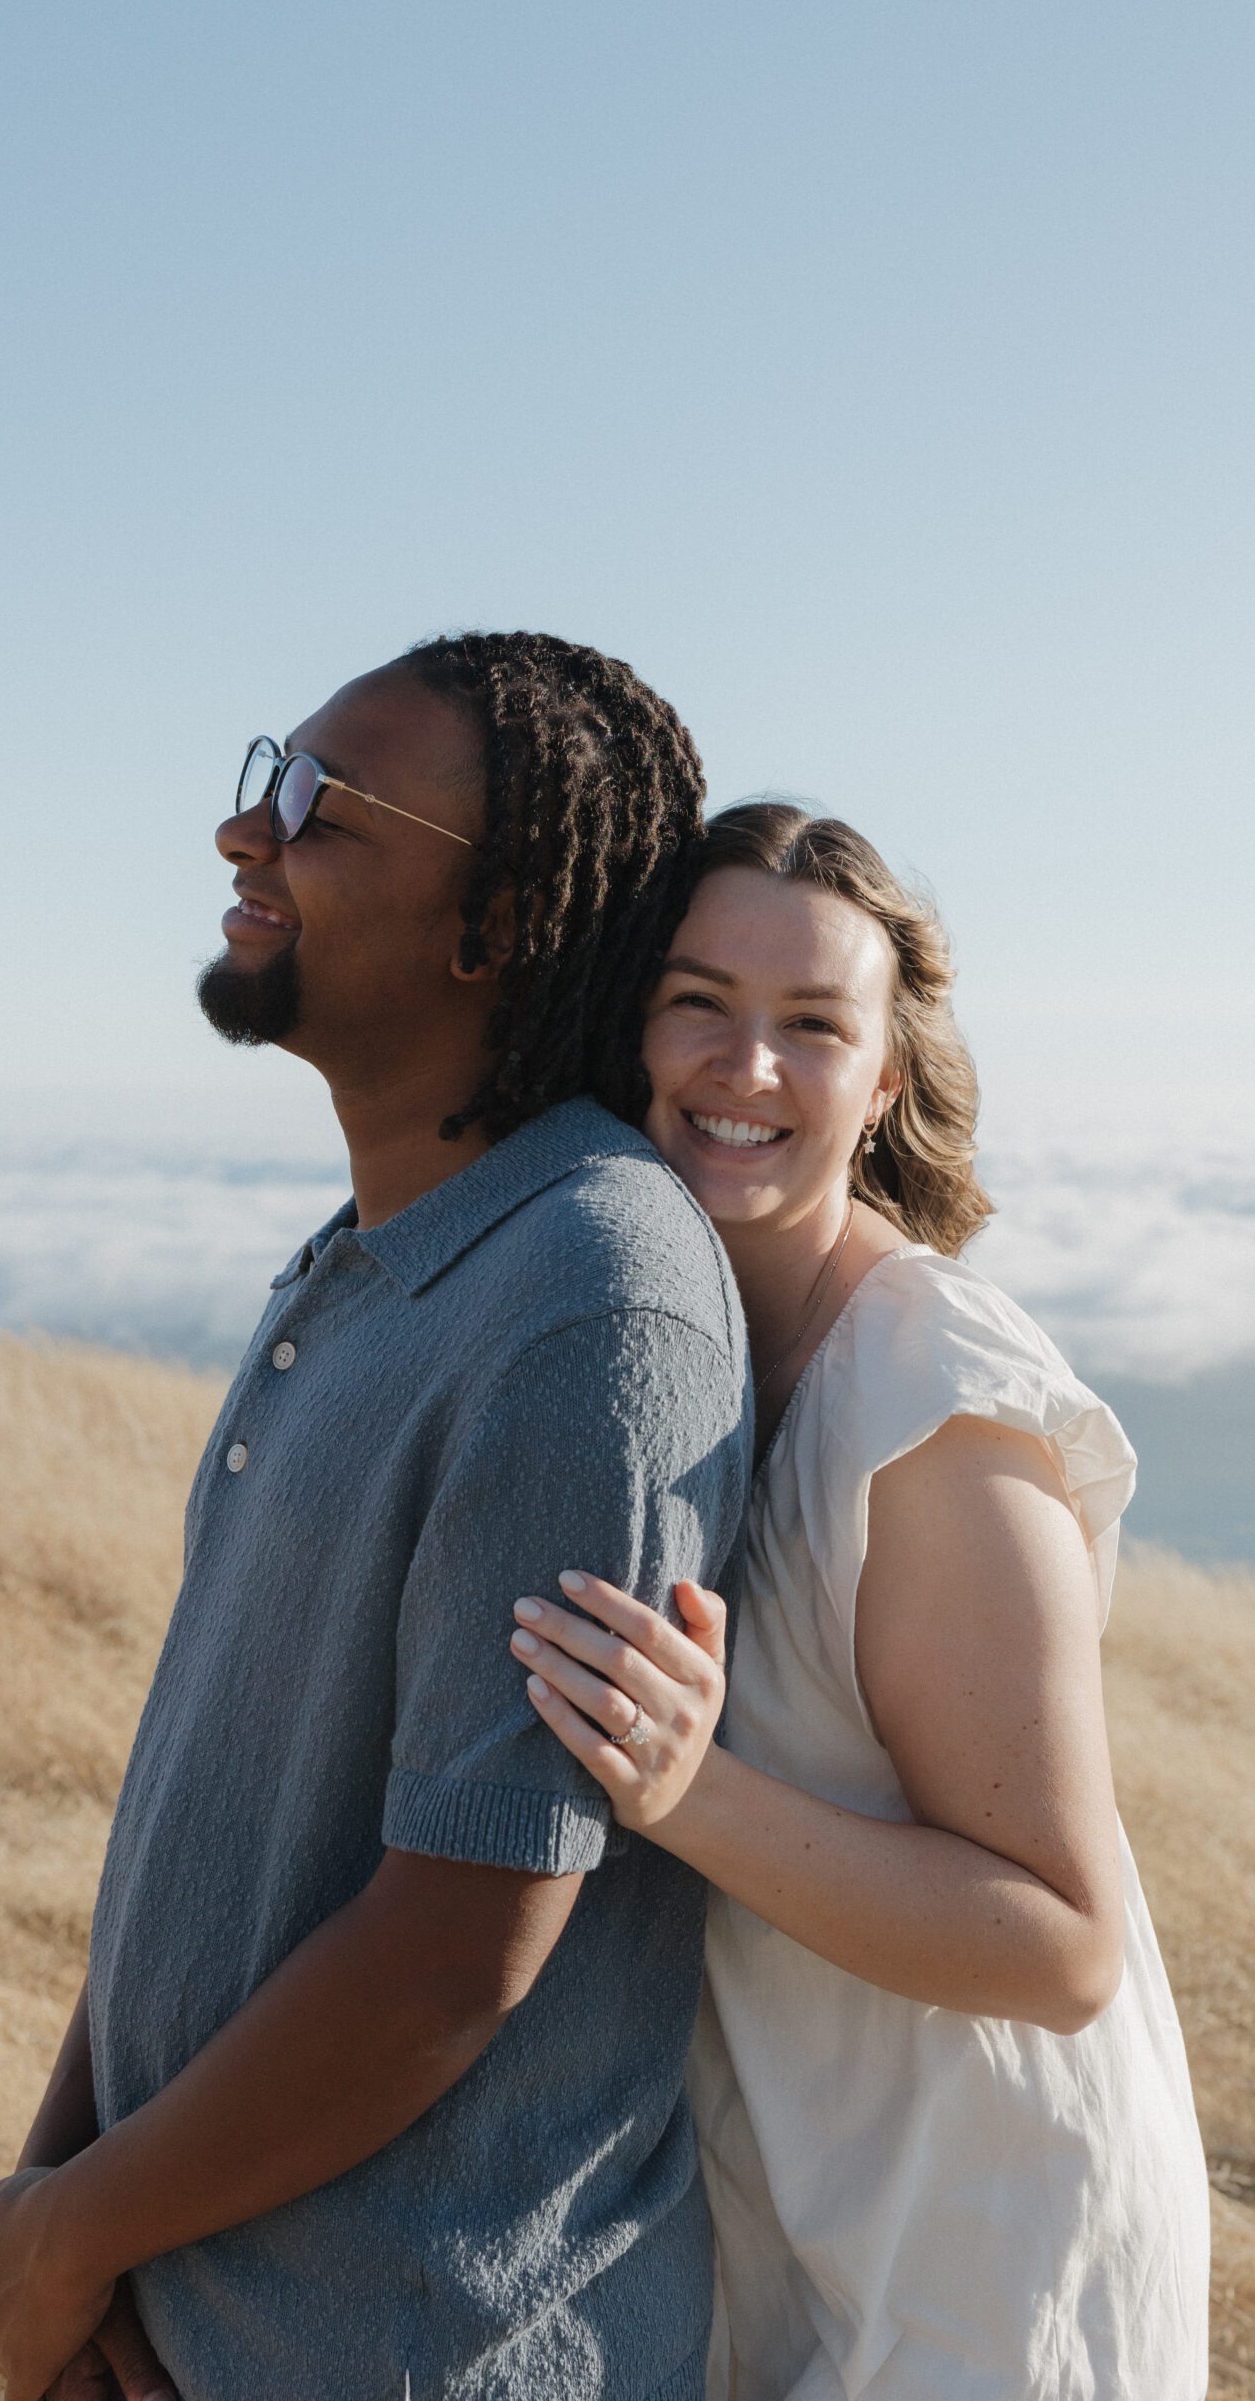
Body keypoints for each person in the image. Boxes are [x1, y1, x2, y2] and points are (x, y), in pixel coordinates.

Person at [0, 634, 752, 2401]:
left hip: (404, 2352)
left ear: (502, 916)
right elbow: (213, 1815)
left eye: (321, 804)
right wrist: (61, 2219)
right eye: (267, 773)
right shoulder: (370, 1262)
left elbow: (451, 1949)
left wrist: (80, 2233)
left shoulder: (590, 1302)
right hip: (192, 2308)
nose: (249, 832)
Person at [509, 802, 1211, 2401]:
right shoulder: (690, 1352)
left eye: (812, 1025)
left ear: (882, 1080)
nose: (745, 1067)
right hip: (798, 2235)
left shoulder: (931, 1400)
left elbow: (1063, 1946)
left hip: (991, 2268)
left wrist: (689, 1791)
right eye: (700, 1002)